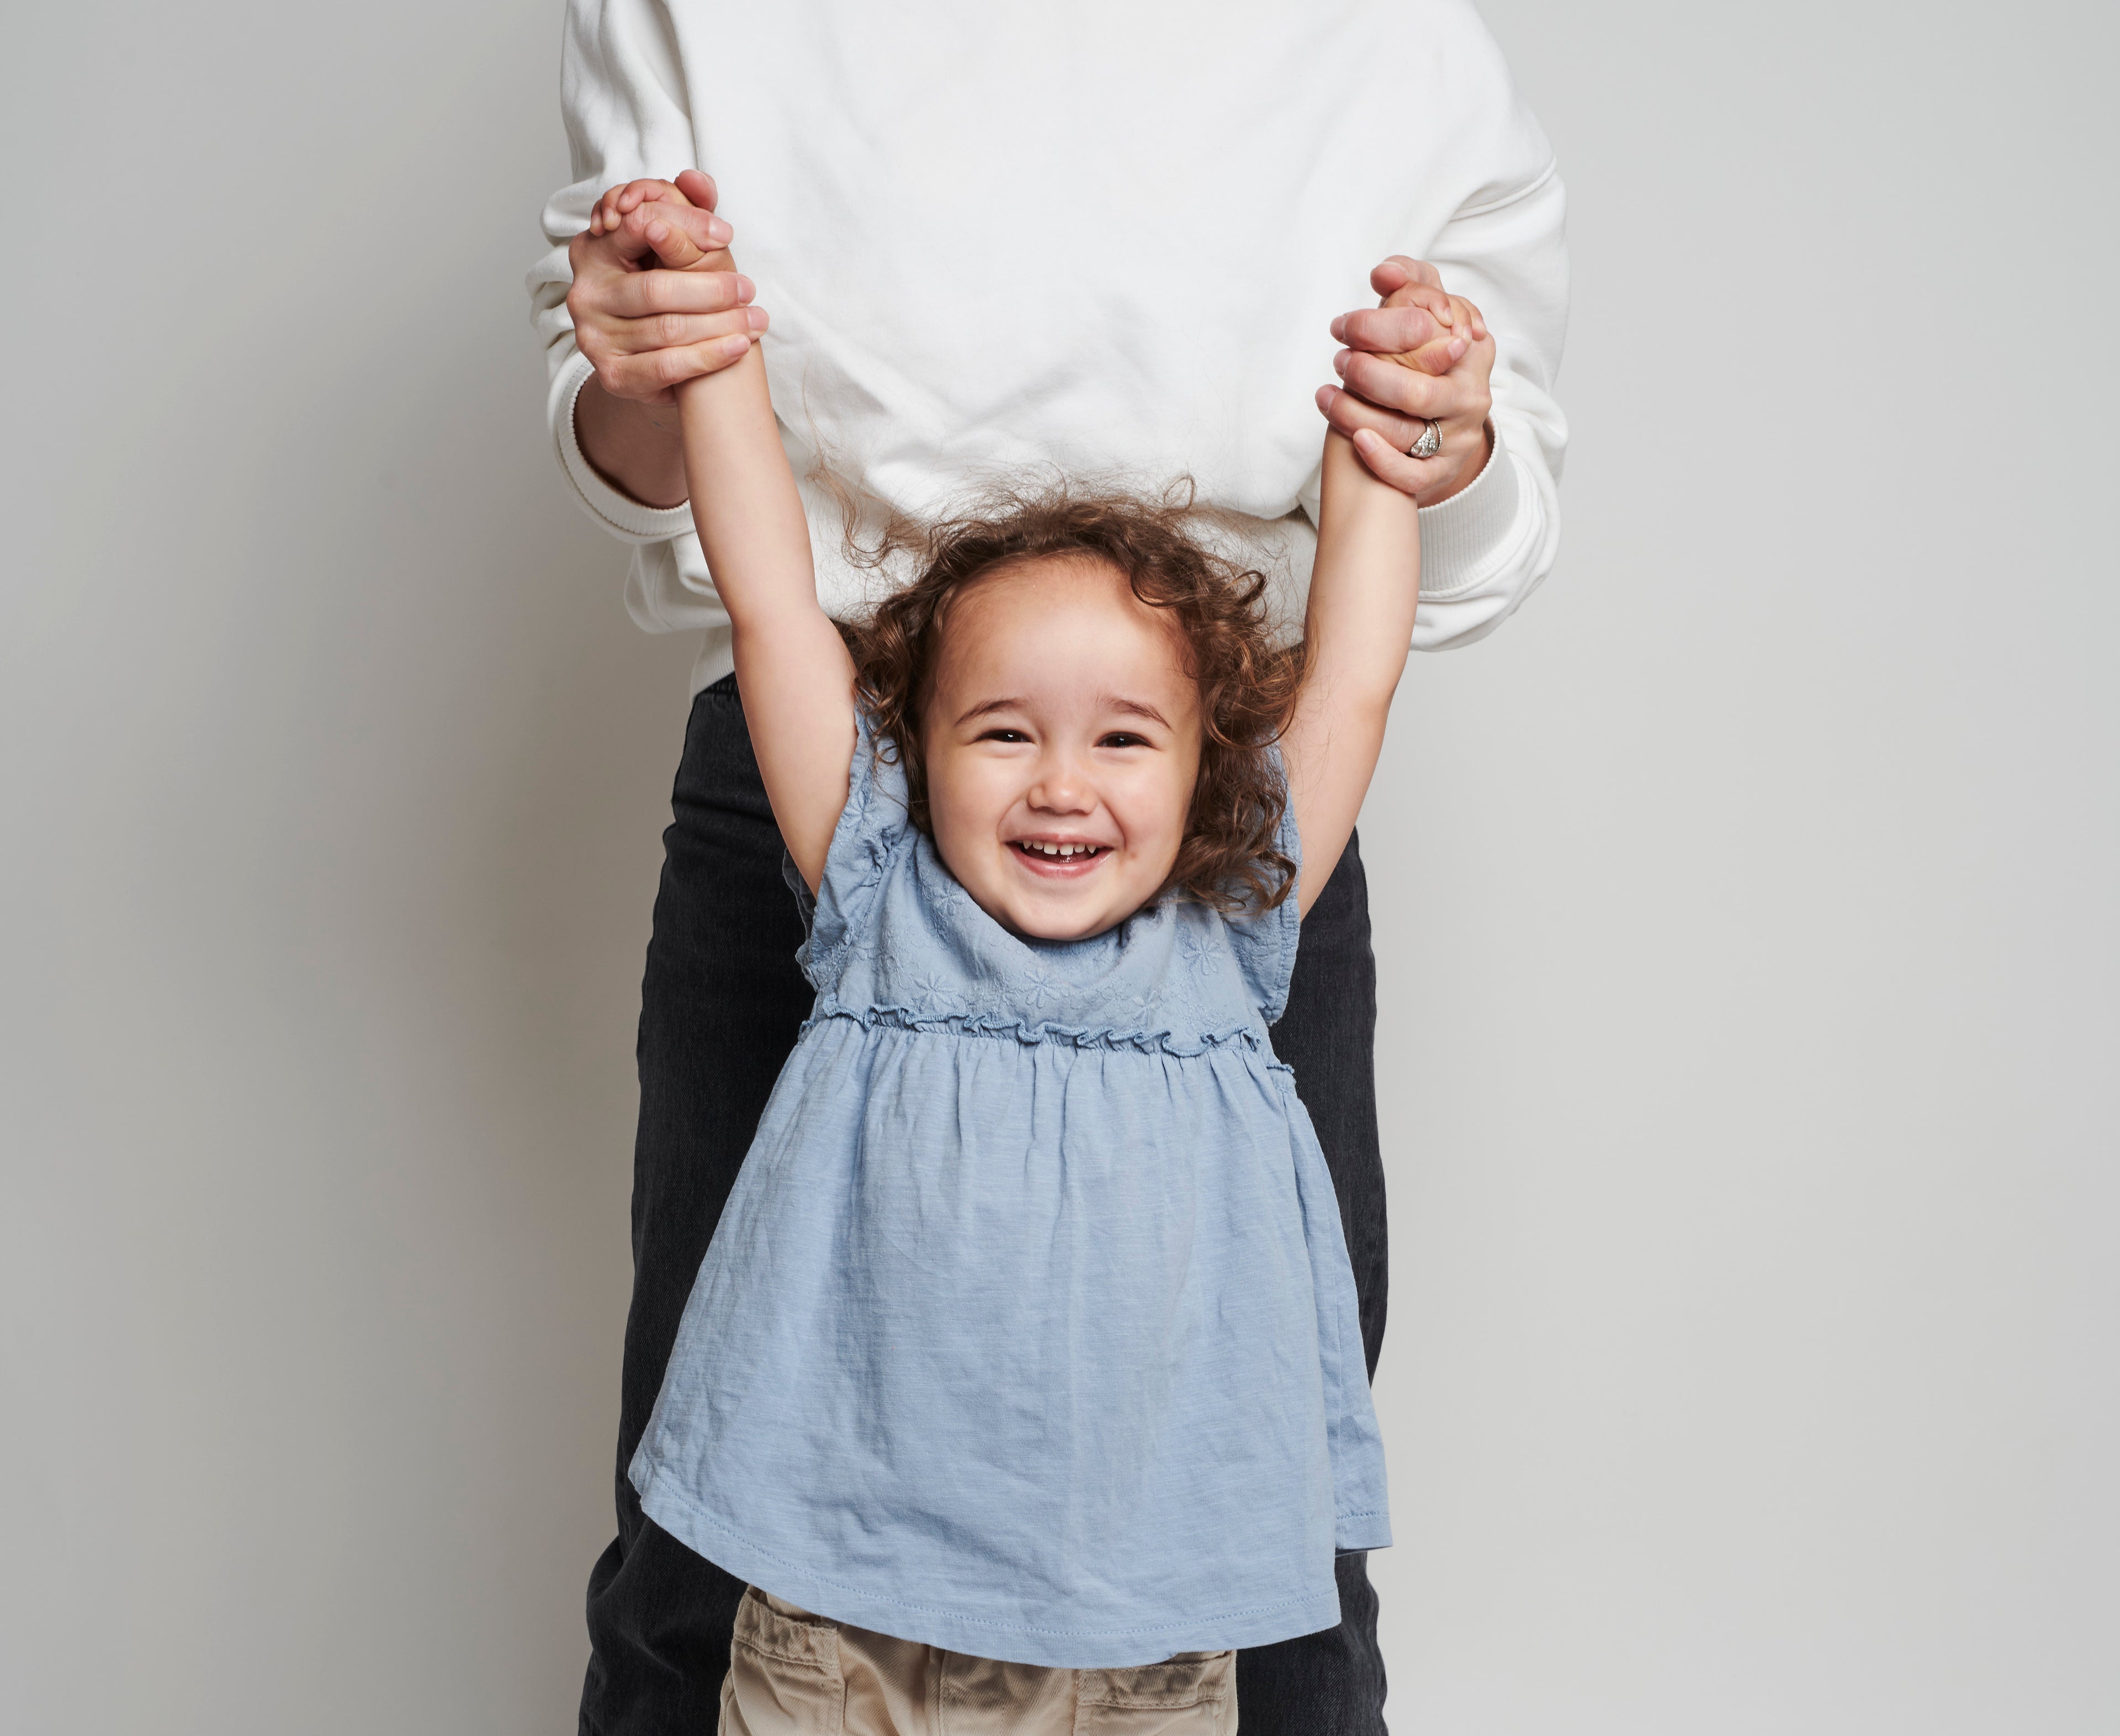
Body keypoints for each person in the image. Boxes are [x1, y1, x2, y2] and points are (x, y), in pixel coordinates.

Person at [526, 6, 1568, 1730]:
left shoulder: (1233, 929)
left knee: (1297, 1624)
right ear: (915, 755)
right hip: (840, 1662)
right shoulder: (872, 895)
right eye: (1004, 734)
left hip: (1146, 1668)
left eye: (1119, 742)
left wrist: (1400, 411)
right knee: (683, 1594)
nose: (1060, 784)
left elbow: (1360, 670)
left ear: (1204, 766)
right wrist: (699, 337)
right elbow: (783, 603)